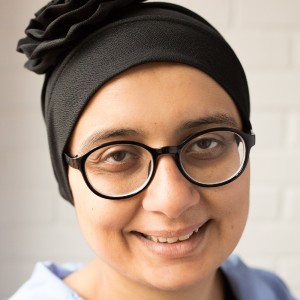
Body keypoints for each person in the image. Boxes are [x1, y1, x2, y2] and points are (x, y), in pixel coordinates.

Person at [12, 0, 295, 299]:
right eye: (118, 155)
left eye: (205, 143)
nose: (172, 200)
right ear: (67, 179)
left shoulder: (270, 291)